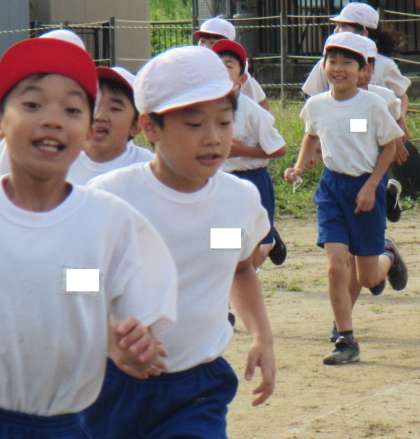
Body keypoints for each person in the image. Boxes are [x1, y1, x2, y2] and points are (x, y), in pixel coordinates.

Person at [80, 45, 276, 439]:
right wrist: (111, 337)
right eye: (194, 124)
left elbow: (240, 269)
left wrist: (261, 336)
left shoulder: (238, 200)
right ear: (151, 127)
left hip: (197, 388)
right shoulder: (109, 198)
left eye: (224, 122)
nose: (213, 138)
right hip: (108, 386)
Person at [0, 37, 177, 437]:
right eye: (32, 105)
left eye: (72, 109)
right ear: (2, 121)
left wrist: (132, 345)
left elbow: (124, 308)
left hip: (69, 423)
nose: (53, 119)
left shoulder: (110, 222)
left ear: (85, 130)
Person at [285, 32, 408, 365]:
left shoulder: (373, 104)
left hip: (366, 188)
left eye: (347, 63)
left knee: (368, 277)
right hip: (331, 189)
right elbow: (311, 135)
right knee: (336, 263)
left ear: (363, 70)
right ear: (324, 66)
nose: (338, 68)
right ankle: (345, 338)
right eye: (332, 61)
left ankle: (388, 255)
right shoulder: (316, 105)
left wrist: (372, 186)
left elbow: (390, 147)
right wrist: (299, 167)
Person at [212, 39, 288, 268]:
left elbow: (279, 148)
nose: (221, 70)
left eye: (228, 66)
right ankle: (232, 284)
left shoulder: (252, 111)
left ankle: (268, 244)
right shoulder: (204, 109)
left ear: (242, 79)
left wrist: (239, 151)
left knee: (254, 247)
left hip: (252, 181)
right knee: (224, 249)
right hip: (220, 181)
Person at [302, 2, 411, 120]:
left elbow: (401, 95)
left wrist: (400, 119)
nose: (336, 31)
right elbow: (313, 95)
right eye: (336, 26)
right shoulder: (326, 63)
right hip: (336, 122)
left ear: (363, 33)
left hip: (369, 122)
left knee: (358, 126)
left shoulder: (384, 64)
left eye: (343, 26)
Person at [67, 66, 154, 185]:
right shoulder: (62, 161)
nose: (99, 116)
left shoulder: (148, 169)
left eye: (115, 108)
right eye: (94, 104)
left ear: (136, 125)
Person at [194, 16, 270, 110]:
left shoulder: (238, 74)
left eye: (212, 42)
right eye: (202, 41)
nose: (205, 47)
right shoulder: (194, 68)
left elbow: (262, 103)